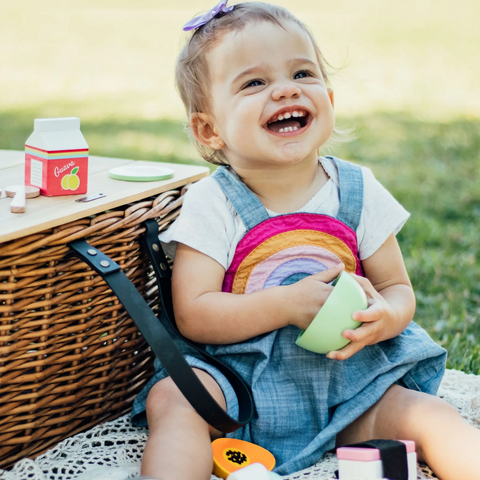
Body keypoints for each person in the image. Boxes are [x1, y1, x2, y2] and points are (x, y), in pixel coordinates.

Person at [130, 2, 480, 479]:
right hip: (239, 386)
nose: (286, 89)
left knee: (431, 415)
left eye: (302, 72)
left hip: (351, 383)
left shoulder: (357, 190)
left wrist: (386, 316)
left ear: (329, 100)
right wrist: (286, 305)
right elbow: (194, 313)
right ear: (209, 129)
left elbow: (398, 288)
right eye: (254, 83)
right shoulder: (213, 202)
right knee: (174, 399)